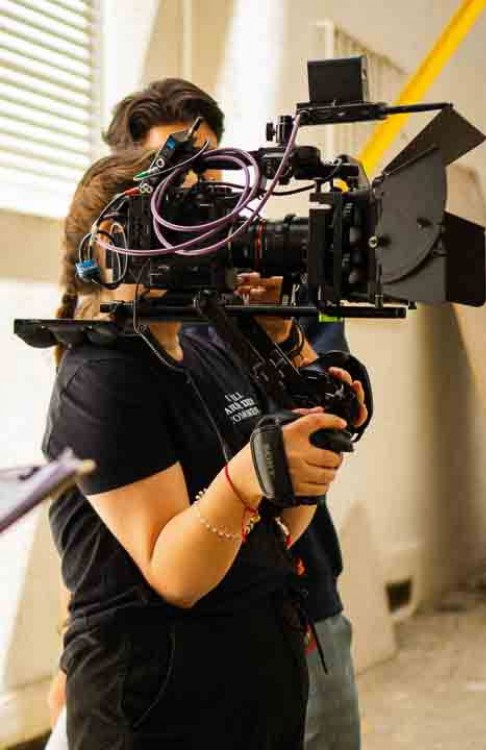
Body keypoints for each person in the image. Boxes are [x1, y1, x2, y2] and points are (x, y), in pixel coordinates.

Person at [47, 79, 366, 749]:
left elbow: (274, 529)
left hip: (252, 682)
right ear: (120, 240)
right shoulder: (102, 376)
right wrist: (252, 475)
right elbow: (176, 575)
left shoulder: (209, 350)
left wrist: (309, 445)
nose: (216, 235)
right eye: (186, 215)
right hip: (161, 705)